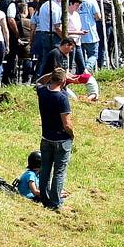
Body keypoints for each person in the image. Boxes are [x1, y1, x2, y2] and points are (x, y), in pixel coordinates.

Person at [35, 67, 74, 210]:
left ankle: (44, 199)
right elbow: (67, 124)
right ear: (63, 81)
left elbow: (38, 82)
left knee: (45, 169)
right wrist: (72, 134)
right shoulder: (62, 98)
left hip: (46, 138)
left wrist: (50, 74)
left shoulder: (42, 92)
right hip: (61, 140)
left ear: (51, 78)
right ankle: (55, 203)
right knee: (59, 172)